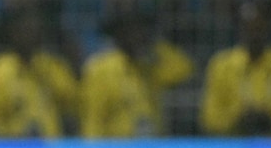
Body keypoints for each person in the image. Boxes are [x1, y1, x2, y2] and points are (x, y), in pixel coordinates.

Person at [199, 2, 271, 136]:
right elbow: (210, 119)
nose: (254, 35)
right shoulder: (222, 66)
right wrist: (238, 117)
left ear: (269, 30)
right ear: (239, 31)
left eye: (259, 29)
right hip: (236, 145)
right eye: (248, 29)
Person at [79, 10, 193, 139]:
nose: (138, 37)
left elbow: (184, 68)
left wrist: (157, 47)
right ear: (119, 36)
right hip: (117, 146)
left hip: (152, 144)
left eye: (143, 32)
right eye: (131, 32)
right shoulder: (102, 69)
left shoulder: (150, 66)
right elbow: (93, 118)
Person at [0, 10, 78, 137]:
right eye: (25, 31)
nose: (30, 36)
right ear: (14, 33)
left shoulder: (51, 66)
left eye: (35, 31)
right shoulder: (1, 68)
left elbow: (72, 101)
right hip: (12, 144)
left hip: (50, 143)